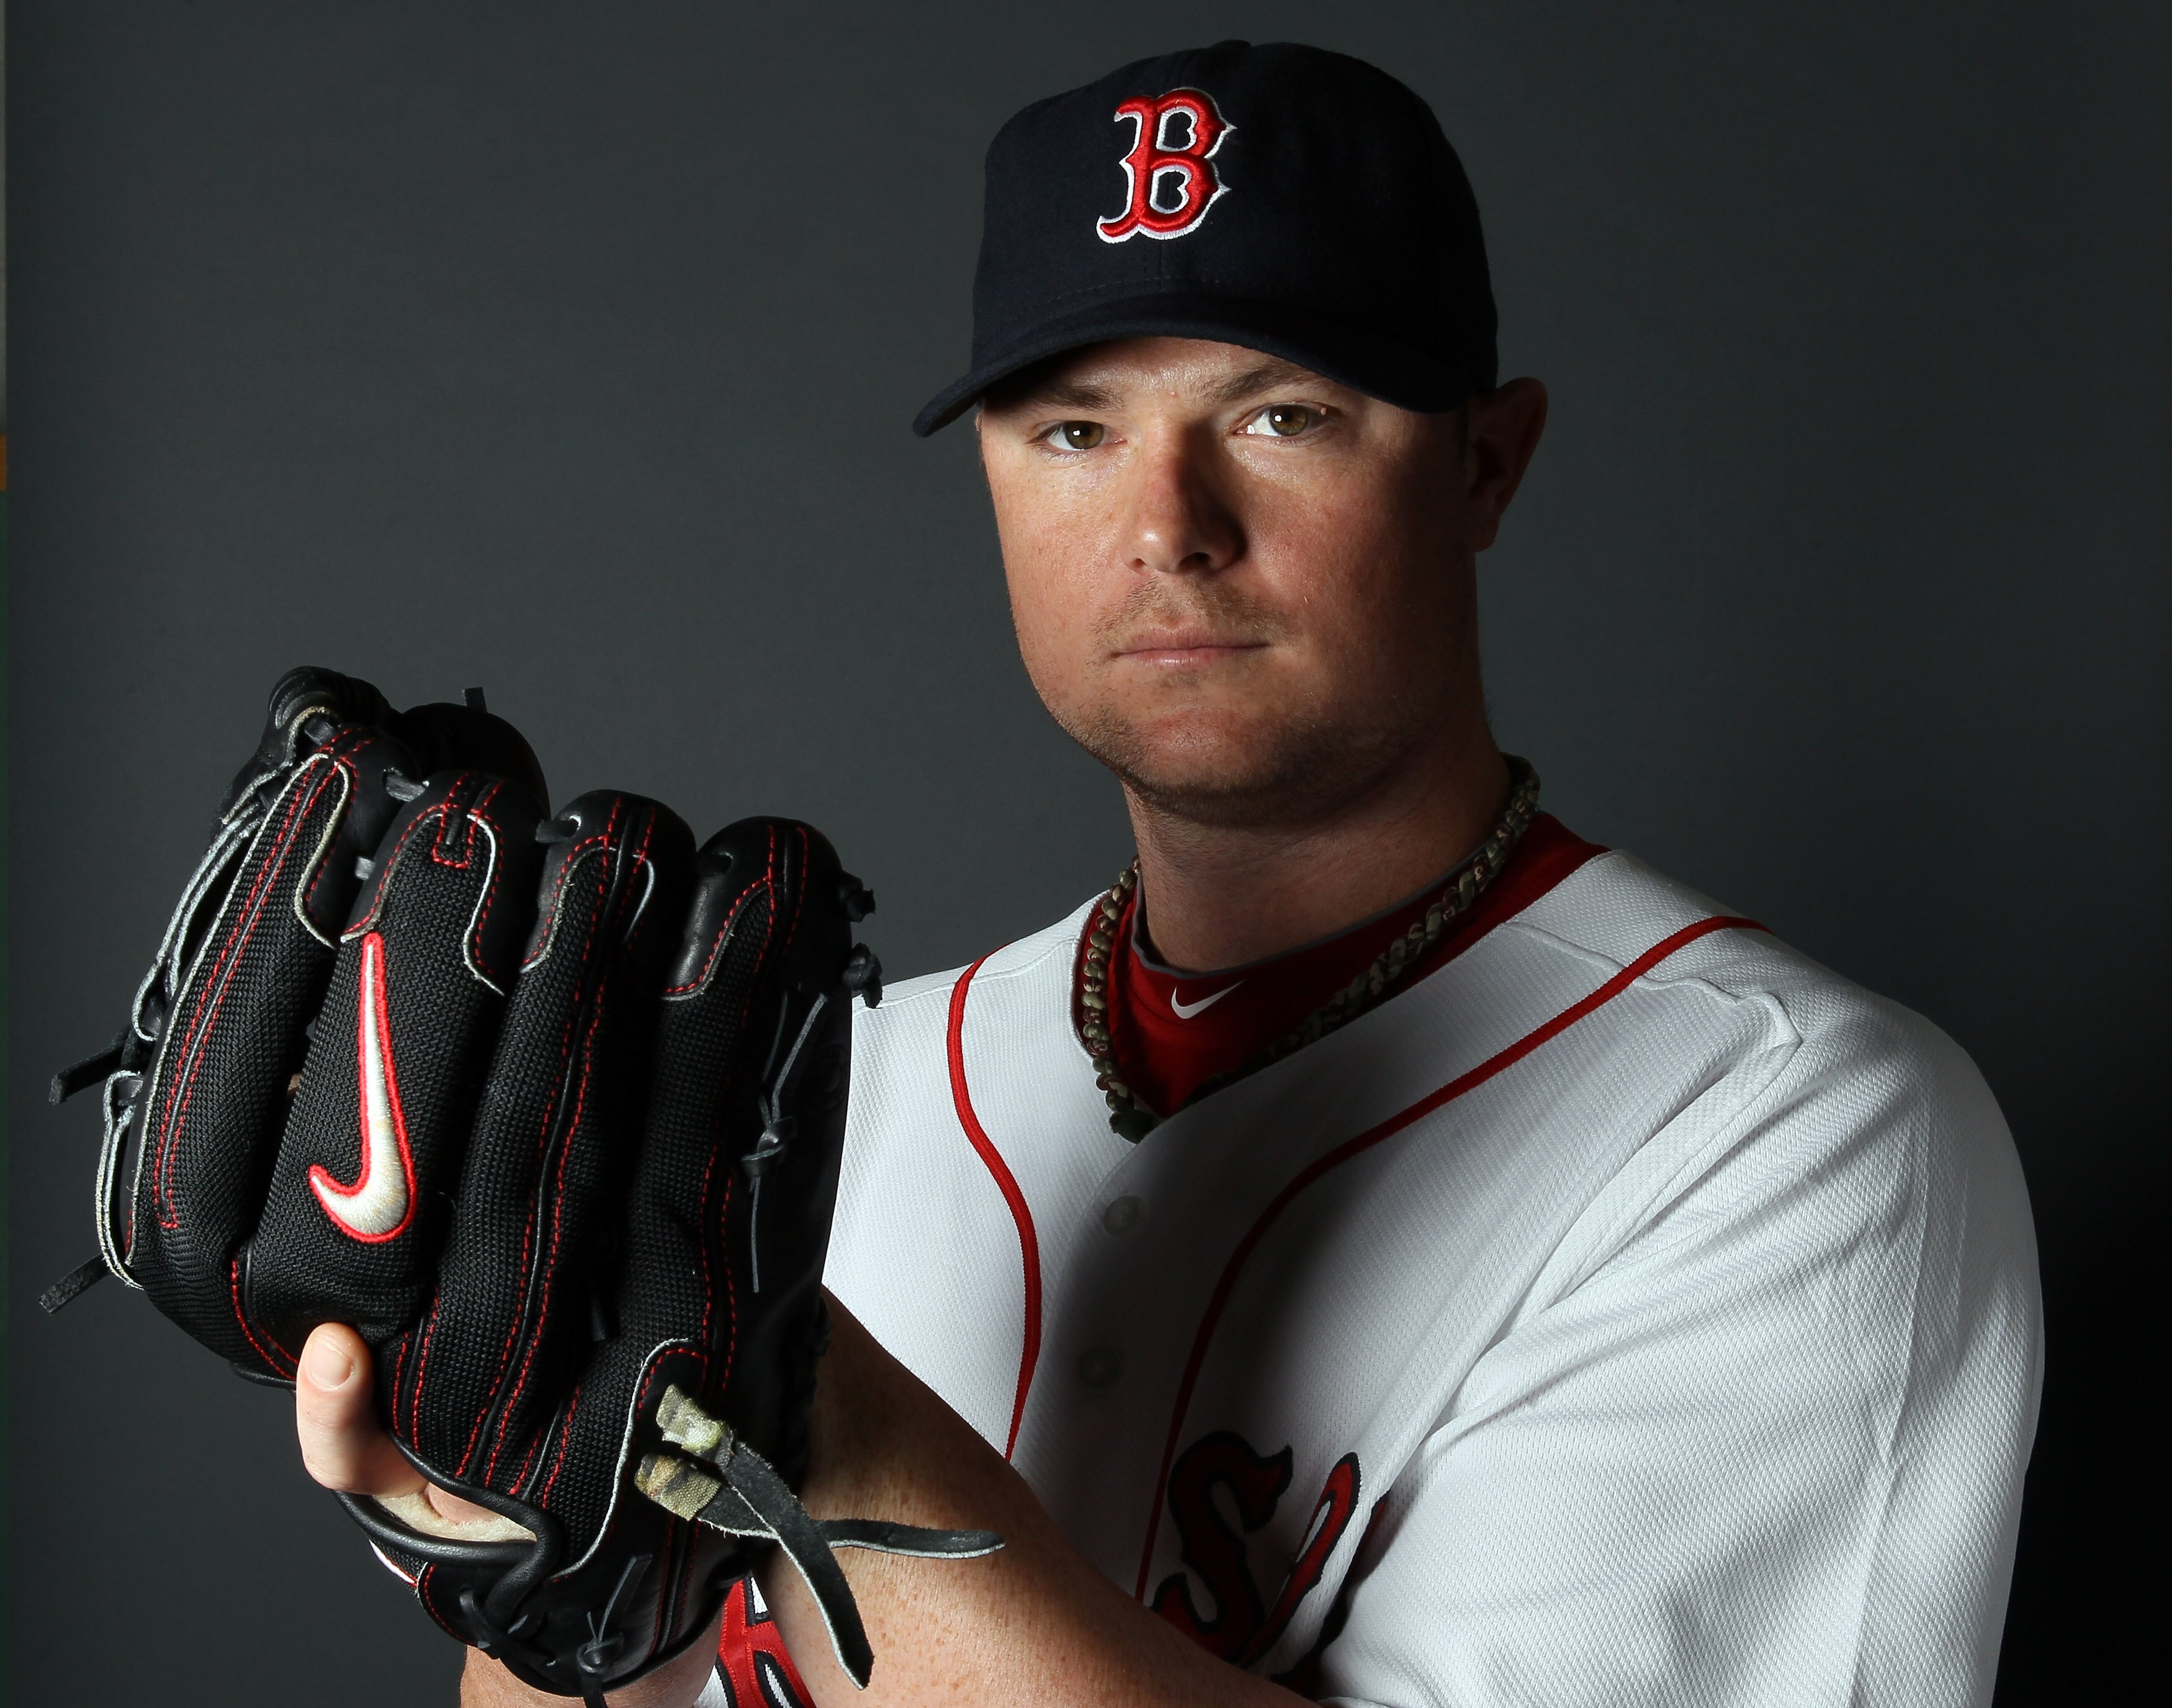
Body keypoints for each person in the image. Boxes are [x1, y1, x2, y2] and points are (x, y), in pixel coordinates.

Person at [290, 41, 2042, 1707]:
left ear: (1483, 459)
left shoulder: (1787, 1133)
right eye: (1070, 431)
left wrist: (791, 1406)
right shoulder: (833, 1087)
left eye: (1279, 414)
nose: (1164, 522)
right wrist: (525, 1546)